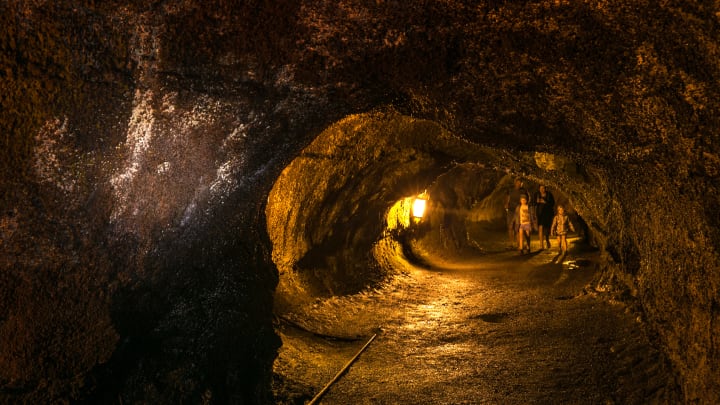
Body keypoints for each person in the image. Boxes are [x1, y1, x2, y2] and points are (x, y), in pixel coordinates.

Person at [504, 178, 527, 248]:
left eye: (520, 183)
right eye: (517, 182)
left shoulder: (523, 191)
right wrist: (506, 204)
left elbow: (526, 199)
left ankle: (519, 243)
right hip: (511, 210)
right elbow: (507, 197)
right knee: (510, 226)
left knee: (517, 227)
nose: (518, 184)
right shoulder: (510, 190)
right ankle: (511, 243)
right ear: (515, 183)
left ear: (521, 184)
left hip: (519, 211)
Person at [533, 185, 555, 250]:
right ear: (539, 189)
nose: (542, 189)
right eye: (540, 188)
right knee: (540, 227)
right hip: (540, 214)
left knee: (547, 229)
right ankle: (541, 245)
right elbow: (533, 203)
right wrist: (536, 202)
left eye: (543, 188)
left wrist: (545, 202)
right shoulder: (536, 194)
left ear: (545, 188)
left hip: (548, 214)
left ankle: (547, 240)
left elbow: (553, 203)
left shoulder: (549, 194)